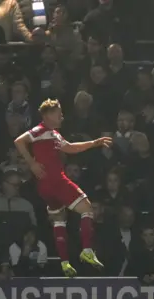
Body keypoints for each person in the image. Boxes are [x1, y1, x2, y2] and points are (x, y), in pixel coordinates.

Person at [13, 99, 112, 277]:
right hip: (56, 181)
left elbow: (70, 148)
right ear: (48, 115)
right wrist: (32, 164)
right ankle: (87, 250)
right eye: (58, 112)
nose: (62, 116)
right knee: (87, 208)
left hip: (45, 187)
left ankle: (65, 263)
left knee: (59, 219)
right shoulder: (41, 130)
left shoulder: (54, 134)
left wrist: (94, 143)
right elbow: (19, 141)